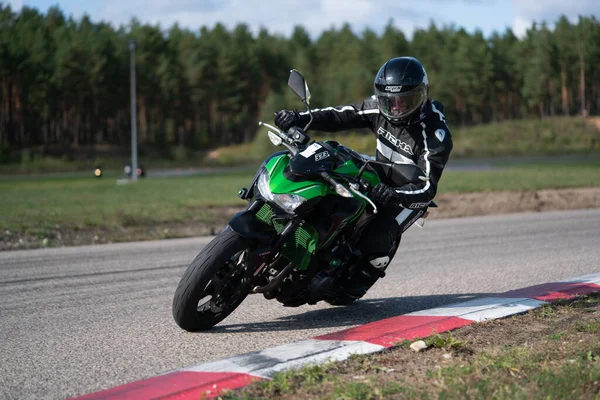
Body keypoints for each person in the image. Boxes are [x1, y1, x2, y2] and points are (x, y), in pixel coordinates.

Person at [274, 56, 453, 301]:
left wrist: (396, 194)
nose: (397, 108)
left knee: (378, 236)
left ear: (422, 95)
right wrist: (299, 118)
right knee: (331, 178)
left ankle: (360, 278)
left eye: (405, 101)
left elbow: (427, 188)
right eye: (390, 102)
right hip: (379, 169)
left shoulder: (435, 134)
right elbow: (340, 115)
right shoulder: (378, 107)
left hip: (408, 192)